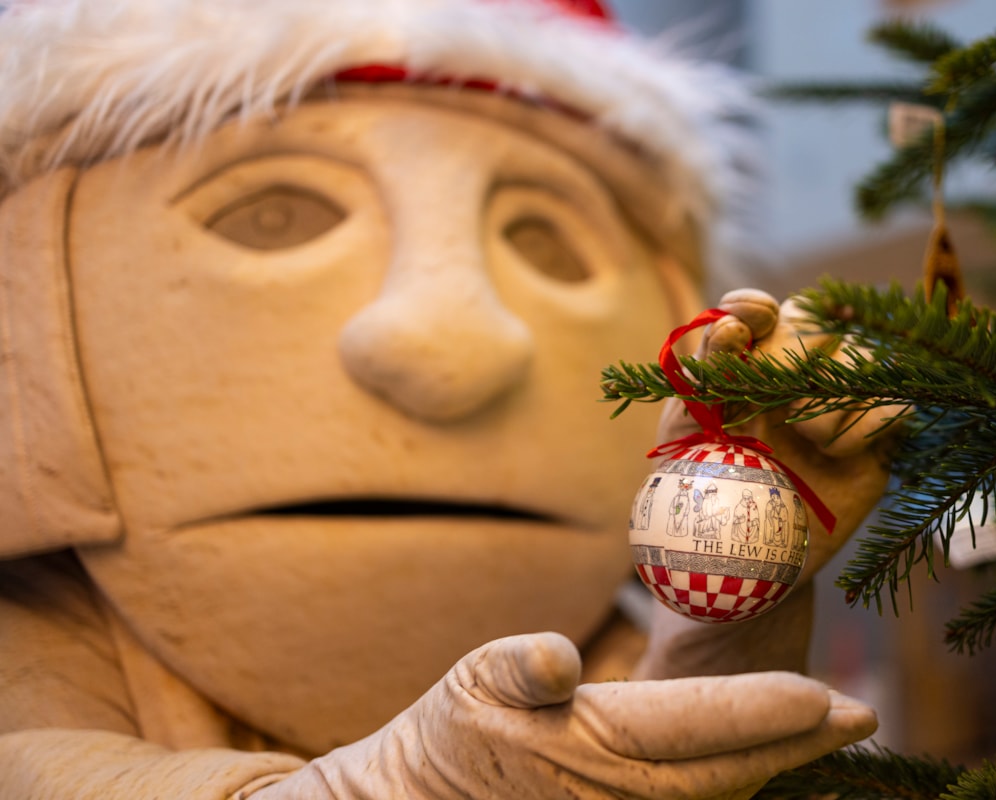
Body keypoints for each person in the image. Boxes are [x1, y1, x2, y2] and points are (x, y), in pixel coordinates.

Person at [0, 0, 893, 796]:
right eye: (275, 213)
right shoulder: (37, 647)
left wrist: (716, 631)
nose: (448, 347)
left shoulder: (595, 643)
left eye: (544, 237)